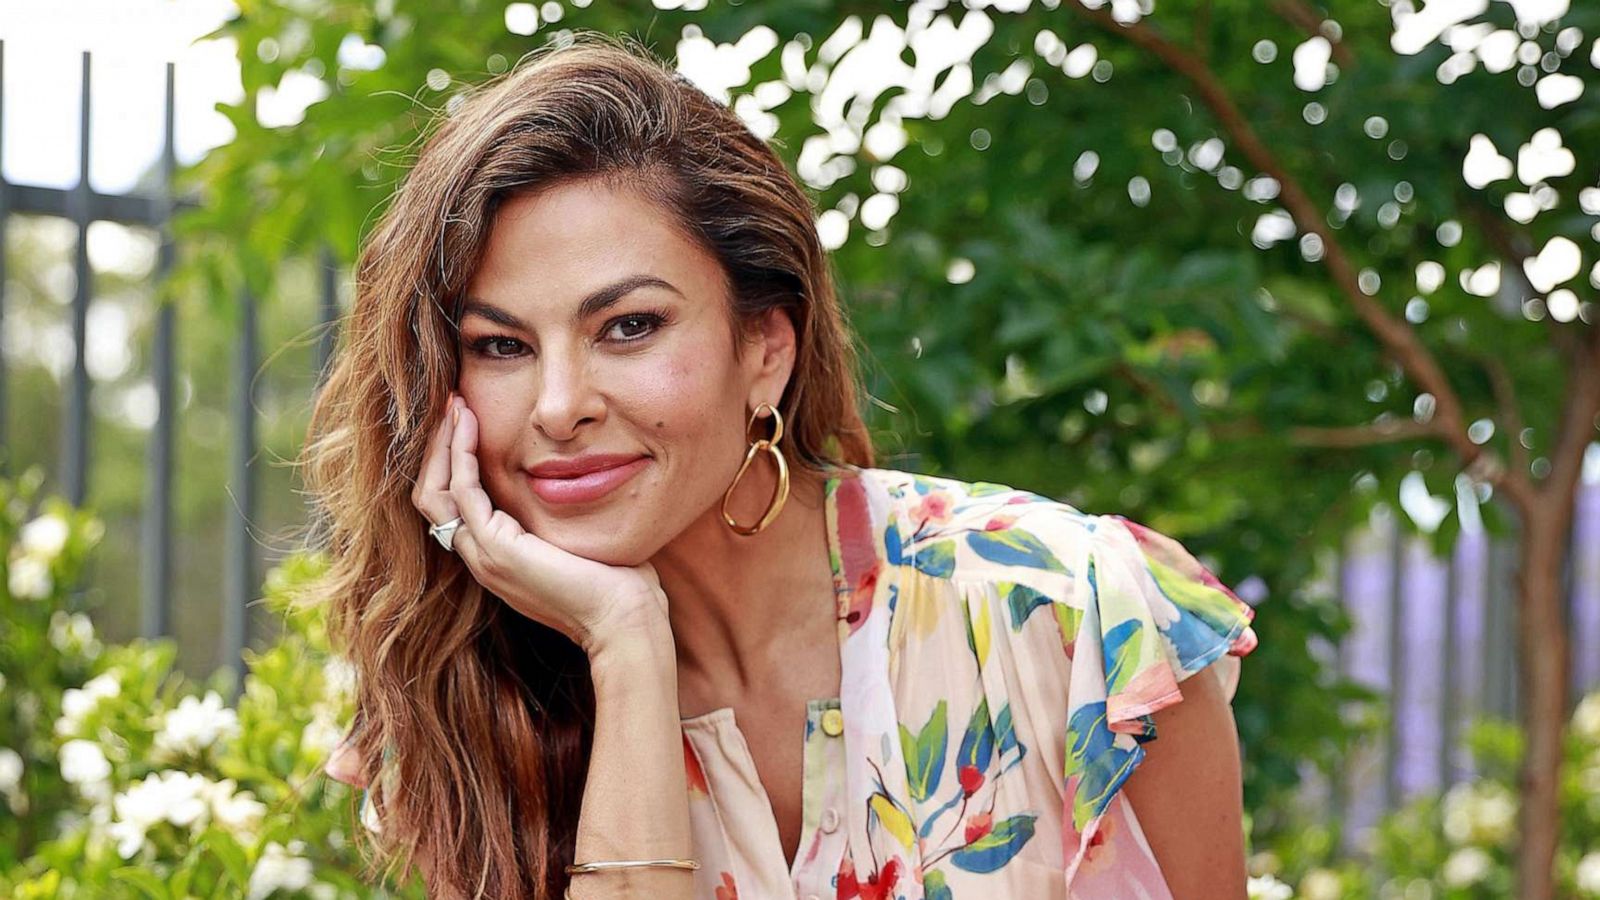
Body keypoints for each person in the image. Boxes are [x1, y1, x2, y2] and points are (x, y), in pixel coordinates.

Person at [303, 30, 1260, 900]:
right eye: (501, 346)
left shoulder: (1071, 618)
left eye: (628, 327)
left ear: (766, 347)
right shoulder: (461, 703)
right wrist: (626, 645)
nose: (559, 406)